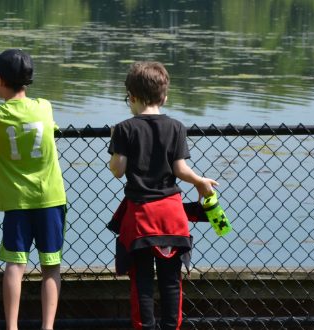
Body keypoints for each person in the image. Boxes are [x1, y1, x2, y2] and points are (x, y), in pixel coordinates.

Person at [107, 61, 219, 330]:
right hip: (171, 215)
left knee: (141, 280)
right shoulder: (176, 127)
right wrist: (200, 181)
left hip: (141, 217)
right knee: (171, 280)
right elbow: (180, 169)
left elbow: (118, 171)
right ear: (164, 96)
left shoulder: (124, 128)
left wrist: (115, 146)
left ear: (131, 97)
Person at [0, 49, 67, 330]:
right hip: (51, 198)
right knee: (51, 267)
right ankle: (48, 327)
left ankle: (12, 326)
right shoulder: (44, 106)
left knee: (14, 264)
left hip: (17, 202)